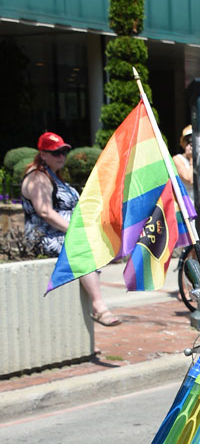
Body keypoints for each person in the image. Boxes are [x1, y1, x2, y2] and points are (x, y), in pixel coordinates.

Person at [21, 132, 121, 326]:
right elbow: (45, 212)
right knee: (80, 249)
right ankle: (99, 307)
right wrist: (75, 231)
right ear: (43, 154)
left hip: (62, 233)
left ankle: (90, 322)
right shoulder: (38, 178)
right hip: (45, 235)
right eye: (56, 152)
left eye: (64, 152)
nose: (61, 156)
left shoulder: (52, 175)